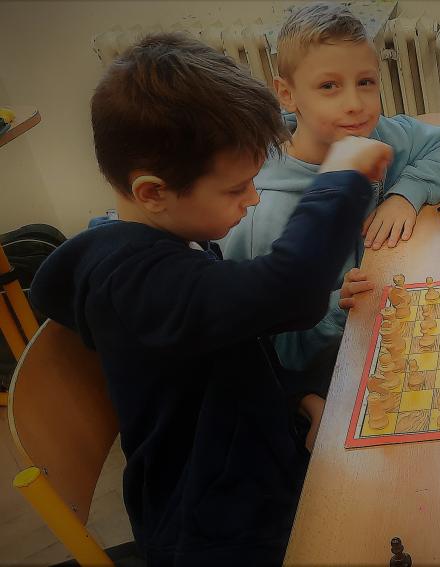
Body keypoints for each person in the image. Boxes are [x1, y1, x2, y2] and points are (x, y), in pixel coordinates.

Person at [30, 33, 392, 565]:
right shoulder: (134, 283)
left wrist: (296, 399)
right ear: (153, 192)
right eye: (235, 189)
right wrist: (340, 179)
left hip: (256, 459)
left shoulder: (174, 242)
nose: (253, 198)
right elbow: (289, 290)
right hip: (215, 530)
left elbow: (235, 344)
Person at [222, 2, 440, 385]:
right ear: (287, 94)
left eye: (365, 82)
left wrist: (405, 195)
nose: (355, 105)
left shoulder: (376, 134)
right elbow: (271, 348)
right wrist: (336, 308)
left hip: (390, 319)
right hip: (332, 370)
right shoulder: (262, 212)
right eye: (329, 87)